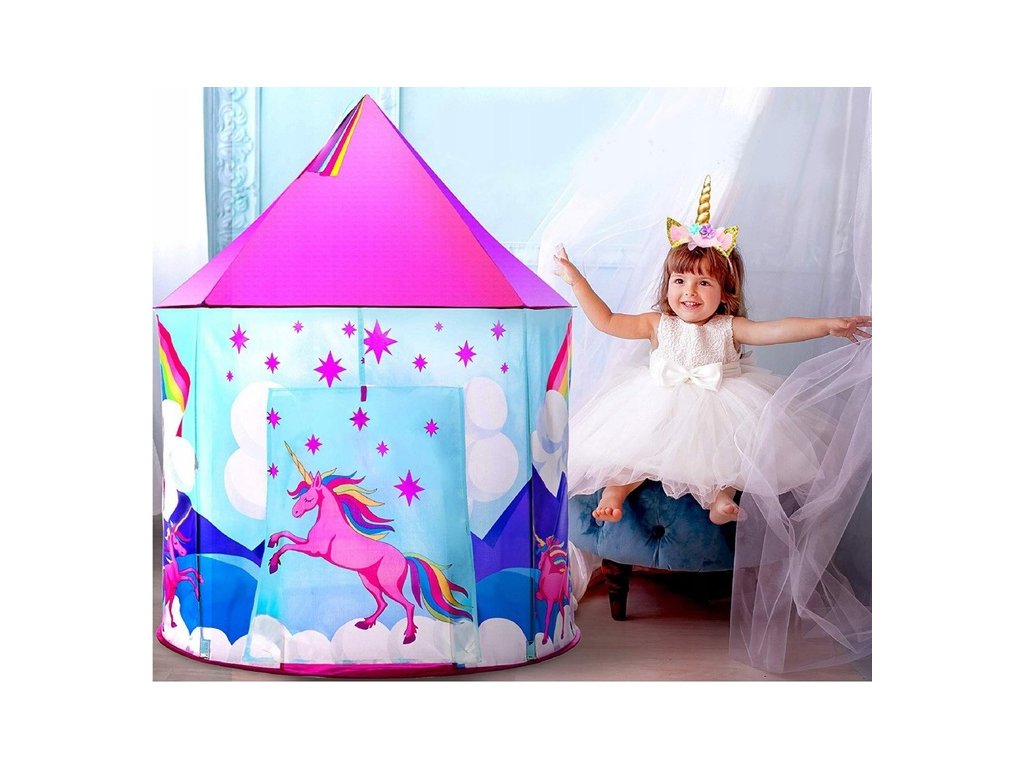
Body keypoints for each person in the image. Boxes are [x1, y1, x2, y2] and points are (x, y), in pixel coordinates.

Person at [552, 176, 871, 525]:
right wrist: (576, 281)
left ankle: (722, 501)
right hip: (657, 404)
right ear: (668, 285)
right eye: (680, 281)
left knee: (733, 453)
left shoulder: (729, 327)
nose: (690, 291)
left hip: (720, 404)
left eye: (703, 282)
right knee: (632, 448)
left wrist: (827, 325)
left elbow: (778, 329)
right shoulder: (657, 323)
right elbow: (607, 320)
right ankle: (614, 494)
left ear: (725, 291)